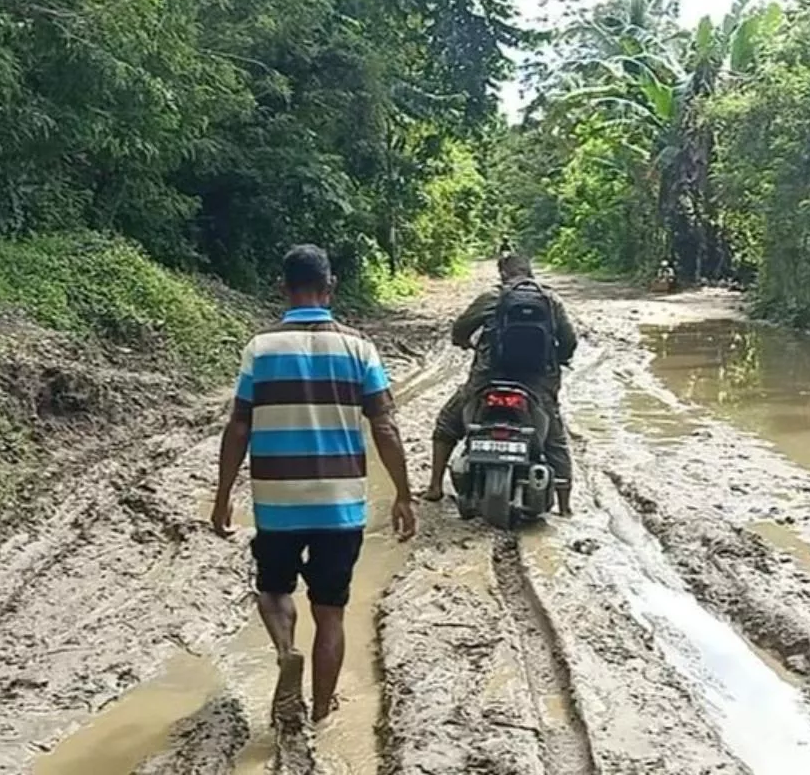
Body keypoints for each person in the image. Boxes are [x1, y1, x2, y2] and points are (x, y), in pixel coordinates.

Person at [211, 244, 417, 728]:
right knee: (331, 613)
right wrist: (404, 493)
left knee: (274, 589)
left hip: (277, 502)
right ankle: (323, 710)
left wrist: (222, 496)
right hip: (340, 506)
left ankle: (286, 650)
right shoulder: (359, 348)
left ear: (282, 289)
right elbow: (384, 426)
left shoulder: (260, 348)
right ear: (332, 288)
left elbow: (238, 426)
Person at [422, 253, 578, 515]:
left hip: (487, 379)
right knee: (554, 439)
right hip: (537, 385)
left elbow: (460, 329)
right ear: (530, 272)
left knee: (447, 423)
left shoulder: (493, 297)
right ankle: (565, 506)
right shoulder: (551, 300)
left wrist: (464, 343)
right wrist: (559, 360)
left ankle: (435, 486)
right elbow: (570, 341)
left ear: (503, 273)